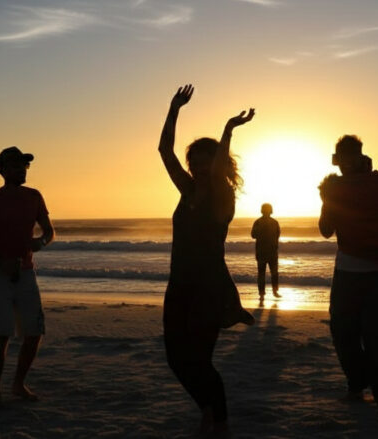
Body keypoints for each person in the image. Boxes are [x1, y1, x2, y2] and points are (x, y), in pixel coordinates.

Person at [158, 84, 255, 436]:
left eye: (205, 160)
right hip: (180, 284)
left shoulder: (222, 193)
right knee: (175, 358)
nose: (197, 166)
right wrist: (174, 109)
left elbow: (216, 171)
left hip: (208, 287)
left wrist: (227, 130)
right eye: (194, 161)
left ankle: (220, 422)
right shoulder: (186, 190)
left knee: (198, 360)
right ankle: (208, 410)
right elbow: (164, 150)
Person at [318, 135, 378, 404]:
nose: (343, 163)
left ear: (354, 157)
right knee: (364, 334)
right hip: (367, 270)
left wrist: (329, 198)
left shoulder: (345, 187)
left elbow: (325, 230)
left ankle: (366, 386)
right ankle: (371, 387)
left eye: (346, 158)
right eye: (342, 158)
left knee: (357, 334)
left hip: (359, 271)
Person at [0, 146, 55, 407]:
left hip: (26, 273)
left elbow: (50, 232)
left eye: (24, 165)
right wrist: (0, 262)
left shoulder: (34, 196)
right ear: (2, 171)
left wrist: (41, 241)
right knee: (2, 334)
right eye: (16, 165)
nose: (22, 169)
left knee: (34, 332)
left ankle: (18, 383)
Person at [251, 203, 281, 303]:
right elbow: (253, 235)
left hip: (265, 251)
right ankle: (267, 293)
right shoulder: (272, 222)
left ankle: (264, 293)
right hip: (267, 252)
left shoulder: (259, 222)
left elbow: (253, 235)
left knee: (265, 273)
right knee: (270, 273)